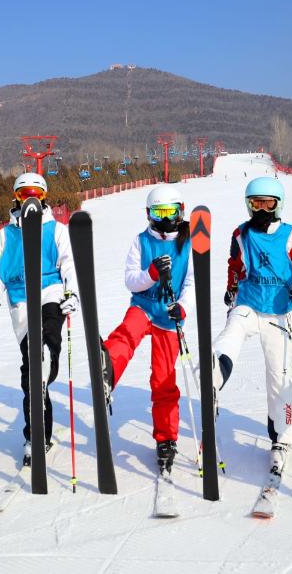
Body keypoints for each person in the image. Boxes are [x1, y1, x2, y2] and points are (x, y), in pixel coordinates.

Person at [211, 176, 292, 475]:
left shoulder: (291, 234)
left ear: (278, 205)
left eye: (268, 204)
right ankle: (213, 375)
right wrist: (231, 288)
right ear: (248, 205)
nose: (262, 209)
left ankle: (282, 436)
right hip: (248, 303)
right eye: (256, 204)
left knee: (279, 377)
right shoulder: (241, 234)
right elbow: (235, 265)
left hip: (279, 311)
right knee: (232, 330)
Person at [0, 173, 79, 464]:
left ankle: (48, 353)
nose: (30, 199)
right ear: (16, 198)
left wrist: (72, 293)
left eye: (35, 193)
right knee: (31, 372)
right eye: (24, 194)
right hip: (20, 299)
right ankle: (36, 436)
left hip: (49, 290)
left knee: (50, 330)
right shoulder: (5, 235)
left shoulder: (55, 230)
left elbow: (69, 263)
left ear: (44, 197)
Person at [101, 186, 194, 476]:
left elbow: (192, 281)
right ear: (149, 214)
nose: (165, 219)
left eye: (170, 213)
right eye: (159, 213)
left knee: (163, 377)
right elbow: (131, 280)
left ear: (180, 211)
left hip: (168, 314)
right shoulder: (141, 241)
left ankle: (166, 438)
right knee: (127, 333)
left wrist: (183, 307)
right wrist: (151, 274)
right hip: (144, 304)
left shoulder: (189, 243)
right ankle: (108, 371)